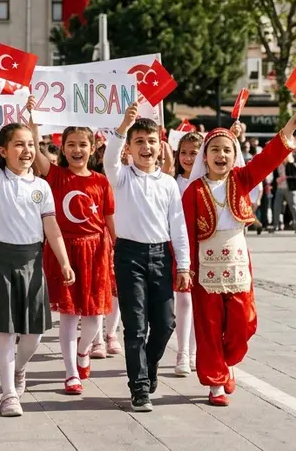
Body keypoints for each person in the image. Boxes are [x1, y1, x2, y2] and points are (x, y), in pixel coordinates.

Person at [181, 111, 296, 406]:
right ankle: (216, 383)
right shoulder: (193, 190)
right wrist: (185, 268)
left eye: (227, 150)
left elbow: (267, 159)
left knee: (244, 321)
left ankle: (227, 361)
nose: (221, 155)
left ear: (234, 155)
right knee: (209, 327)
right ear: (205, 156)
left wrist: (288, 129)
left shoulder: (241, 179)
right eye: (214, 149)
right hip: (205, 267)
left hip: (237, 264)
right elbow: (185, 232)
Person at [0, 88, 74, 417]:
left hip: (31, 261)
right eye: (19, 145)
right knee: (4, 332)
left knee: (33, 336)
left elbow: (52, 228)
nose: (27, 151)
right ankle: (8, 394)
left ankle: (19, 367)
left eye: (31, 145)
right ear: (3, 151)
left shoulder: (41, 186)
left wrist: (64, 261)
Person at [104, 102, 188, 413]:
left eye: (151, 141)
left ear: (160, 146)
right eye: (139, 141)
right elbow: (109, 159)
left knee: (165, 324)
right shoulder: (122, 176)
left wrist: (184, 265)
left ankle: (149, 365)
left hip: (161, 256)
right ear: (129, 148)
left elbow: (178, 226)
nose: (146, 147)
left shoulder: (168, 183)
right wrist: (123, 126)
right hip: (129, 256)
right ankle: (139, 387)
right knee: (136, 326)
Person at [31, 119, 116, 396]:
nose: (77, 150)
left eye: (82, 145)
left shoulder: (101, 181)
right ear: (63, 148)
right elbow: (36, 151)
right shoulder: (55, 175)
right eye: (71, 145)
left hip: (96, 251)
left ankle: (83, 350)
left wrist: (117, 249)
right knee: (69, 314)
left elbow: (109, 219)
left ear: (92, 148)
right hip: (64, 250)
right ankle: (70, 373)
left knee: (94, 315)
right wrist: (33, 124)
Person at [172, 131, 204, 375]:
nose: (188, 158)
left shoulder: (206, 182)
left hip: (204, 247)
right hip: (179, 247)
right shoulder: (172, 182)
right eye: (183, 152)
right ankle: (182, 352)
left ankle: (193, 352)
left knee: (198, 302)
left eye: (194, 153)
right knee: (183, 300)